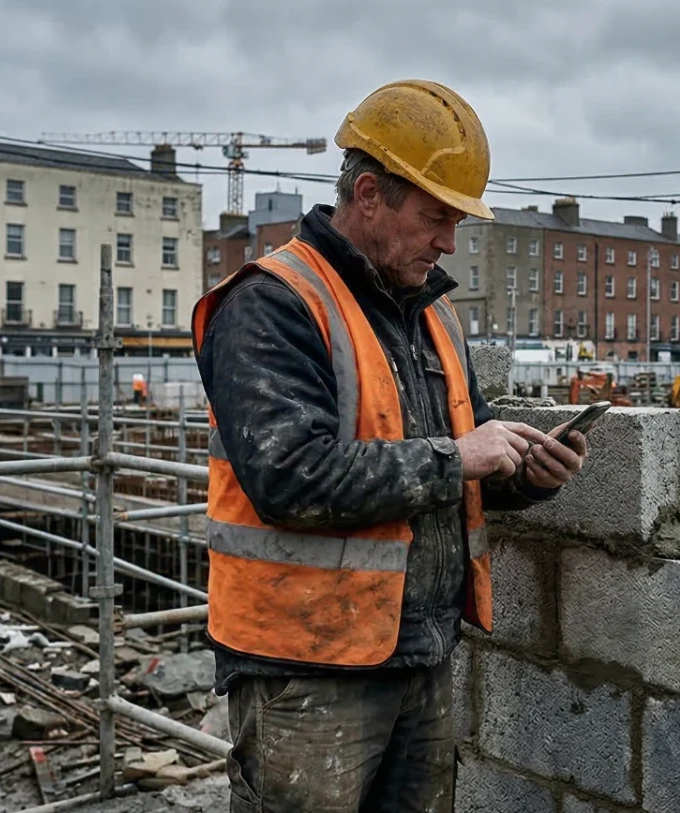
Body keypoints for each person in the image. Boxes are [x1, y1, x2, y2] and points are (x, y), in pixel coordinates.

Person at [194, 79, 588, 813]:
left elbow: (456, 470)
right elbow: (289, 476)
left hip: (419, 653)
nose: (448, 241)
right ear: (368, 193)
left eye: (457, 222)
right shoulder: (272, 303)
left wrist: (527, 472)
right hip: (307, 669)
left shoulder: (432, 318)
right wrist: (461, 456)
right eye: (436, 216)